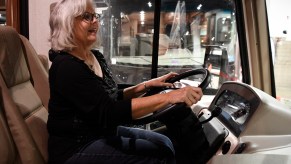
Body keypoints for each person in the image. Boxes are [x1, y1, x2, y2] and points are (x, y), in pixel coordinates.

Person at [47, 0, 203, 164]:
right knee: (159, 156)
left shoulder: (94, 57)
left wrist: (147, 85)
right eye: (87, 16)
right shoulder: (66, 67)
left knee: (164, 142)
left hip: (101, 133)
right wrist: (170, 97)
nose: (95, 20)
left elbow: (110, 96)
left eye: (95, 16)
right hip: (76, 147)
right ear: (68, 24)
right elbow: (109, 113)